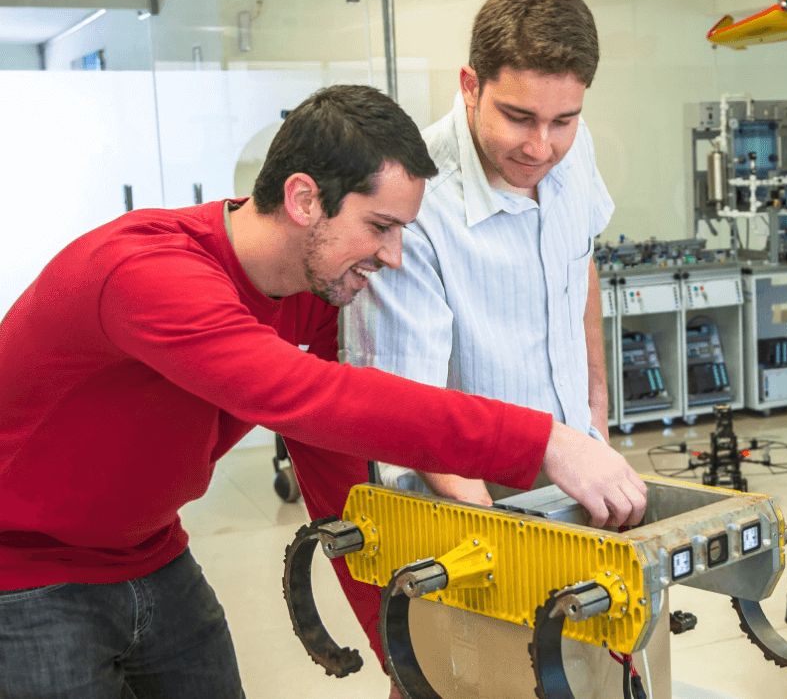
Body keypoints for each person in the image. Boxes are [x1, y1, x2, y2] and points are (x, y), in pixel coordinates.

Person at [0, 84, 646, 699]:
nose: (394, 257)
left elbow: (340, 448)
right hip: (25, 573)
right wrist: (543, 442)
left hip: (153, 551)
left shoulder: (312, 293)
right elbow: (313, 398)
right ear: (305, 199)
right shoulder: (149, 276)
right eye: (380, 227)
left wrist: (402, 650)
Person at [304, 0, 671, 699]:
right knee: (463, 681)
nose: (541, 146)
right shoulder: (414, 203)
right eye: (518, 117)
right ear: (470, 85)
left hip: (568, 484)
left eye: (564, 119)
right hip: (463, 511)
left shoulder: (572, 146)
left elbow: (581, 258)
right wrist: (501, 548)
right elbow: (402, 410)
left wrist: (595, 416)